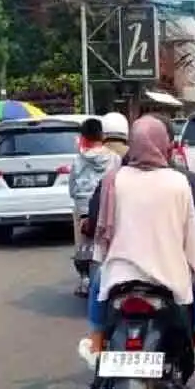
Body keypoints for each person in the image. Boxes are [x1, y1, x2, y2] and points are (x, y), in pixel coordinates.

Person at [81, 115, 195, 389]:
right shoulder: (181, 181)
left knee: (98, 288)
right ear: (168, 145)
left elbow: (98, 224)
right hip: (170, 277)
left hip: (119, 275)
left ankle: (97, 371)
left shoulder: (114, 179)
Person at [68, 118, 120, 296]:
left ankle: (85, 280)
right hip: (108, 207)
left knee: (83, 246)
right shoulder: (114, 158)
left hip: (84, 210)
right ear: (102, 135)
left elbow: (73, 189)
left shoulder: (78, 161)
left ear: (83, 137)